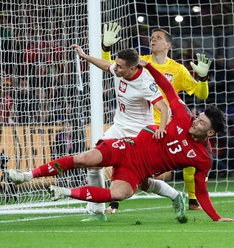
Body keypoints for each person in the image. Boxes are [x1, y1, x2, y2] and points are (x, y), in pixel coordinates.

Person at [8, 60, 234, 223]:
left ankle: (63, 192)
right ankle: (27, 175)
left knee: (119, 194)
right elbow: (167, 89)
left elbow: (203, 191)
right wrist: (151, 68)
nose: (196, 122)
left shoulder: (203, 159)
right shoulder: (183, 117)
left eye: (201, 124)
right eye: (198, 118)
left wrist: (216, 218)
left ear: (210, 134)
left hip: (137, 171)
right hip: (128, 147)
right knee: (85, 159)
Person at [102, 22, 211, 212]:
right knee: (124, 161)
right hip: (139, 123)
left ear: (168, 45)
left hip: (166, 125)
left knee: (189, 154)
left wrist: (203, 79)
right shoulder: (140, 61)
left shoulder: (178, 70)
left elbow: (201, 95)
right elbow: (113, 68)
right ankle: (114, 201)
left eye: (158, 37)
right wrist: (105, 49)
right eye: (152, 37)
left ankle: (192, 199)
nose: (153, 39)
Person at [68, 45, 171, 221]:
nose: (115, 68)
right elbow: (104, 65)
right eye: (116, 64)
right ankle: (98, 210)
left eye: (119, 66)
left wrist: (161, 129)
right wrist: (84, 56)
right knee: (94, 164)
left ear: (132, 68)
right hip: (118, 127)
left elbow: (164, 107)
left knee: (144, 182)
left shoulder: (145, 82)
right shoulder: (119, 70)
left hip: (139, 134)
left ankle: (176, 196)